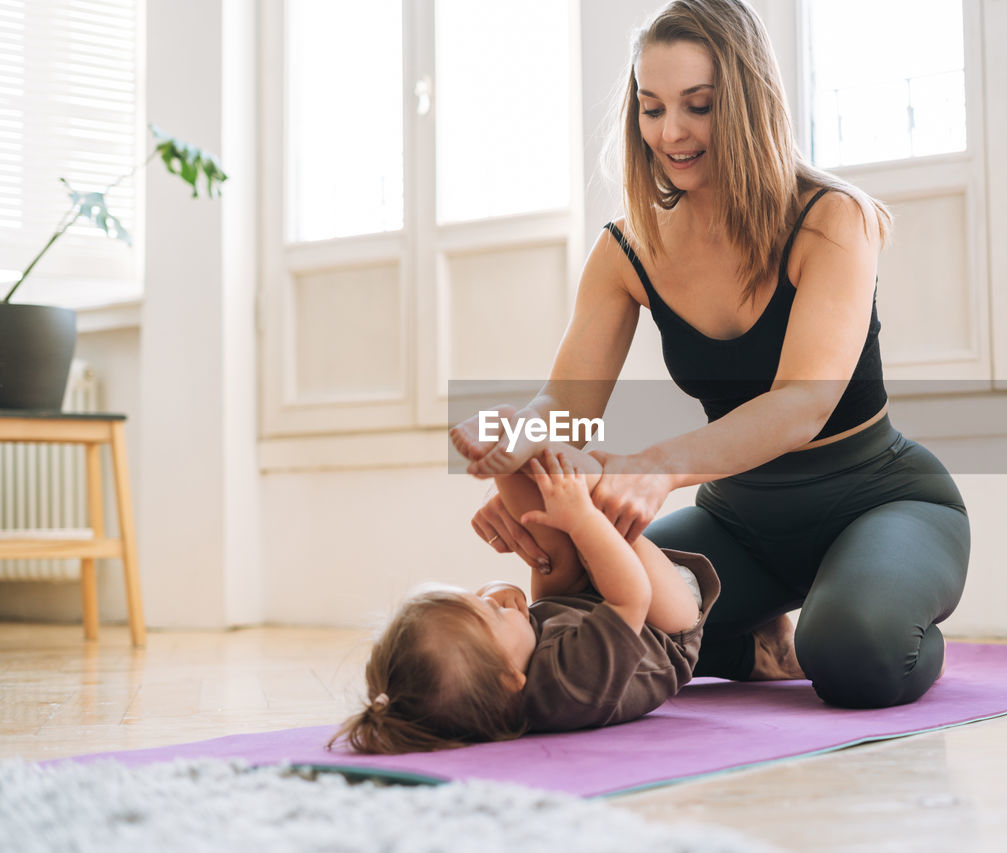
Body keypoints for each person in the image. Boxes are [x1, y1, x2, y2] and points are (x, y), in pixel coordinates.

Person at [450, 0, 969, 709]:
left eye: (698, 105)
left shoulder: (833, 218)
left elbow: (801, 404)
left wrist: (657, 467)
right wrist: (503, 442)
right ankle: (756, 644)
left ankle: (879, 622)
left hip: (878, 500)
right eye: (652, 107)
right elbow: (565, 408)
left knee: (853, 653)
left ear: (750, 102)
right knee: (579, 602)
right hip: (741, 523)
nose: (672, 132)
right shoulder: (626, 249)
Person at [329, 446, 720, 754]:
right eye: (491, 611)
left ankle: (508, 462)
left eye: (480, 598)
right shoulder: (569, 689)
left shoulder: (503, 678)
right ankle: (541, 475)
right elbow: (632, 598)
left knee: (549, 554)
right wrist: (583, 518)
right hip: (664, 630)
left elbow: (528, 620)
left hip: (579, 611)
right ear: (512, 679)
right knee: (596, 512)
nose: (493, 599)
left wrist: (498, 591)